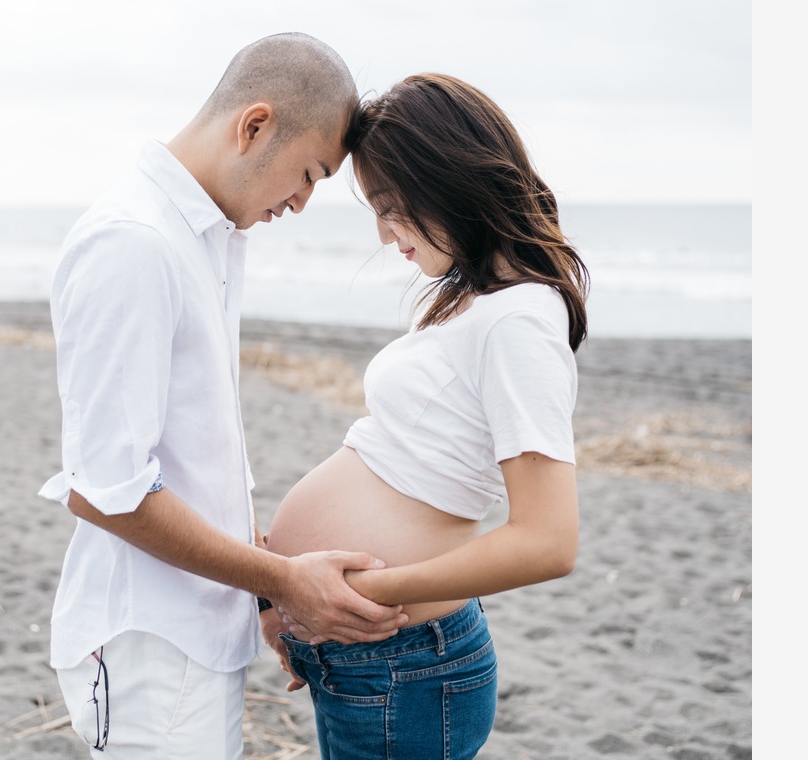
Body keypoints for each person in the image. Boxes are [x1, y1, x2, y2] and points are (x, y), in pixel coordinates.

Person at [37, 33, 408, 760]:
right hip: (151, 643)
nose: (302, 202)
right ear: (255, 126)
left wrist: (264, 595)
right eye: (308, 174)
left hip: (197, 627)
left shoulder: (207, 236)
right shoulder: (135, 243)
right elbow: (104, 489)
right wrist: (283, 580)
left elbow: (195, 450)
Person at [261, 72, 590, 759]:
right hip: (376, 660)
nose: (384, 233)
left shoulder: (520, 319)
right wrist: (287, 597)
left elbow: (547, 541)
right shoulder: (473, 299)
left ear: (449, 177)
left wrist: (353, 596)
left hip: (402, 662)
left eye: (391, 206)